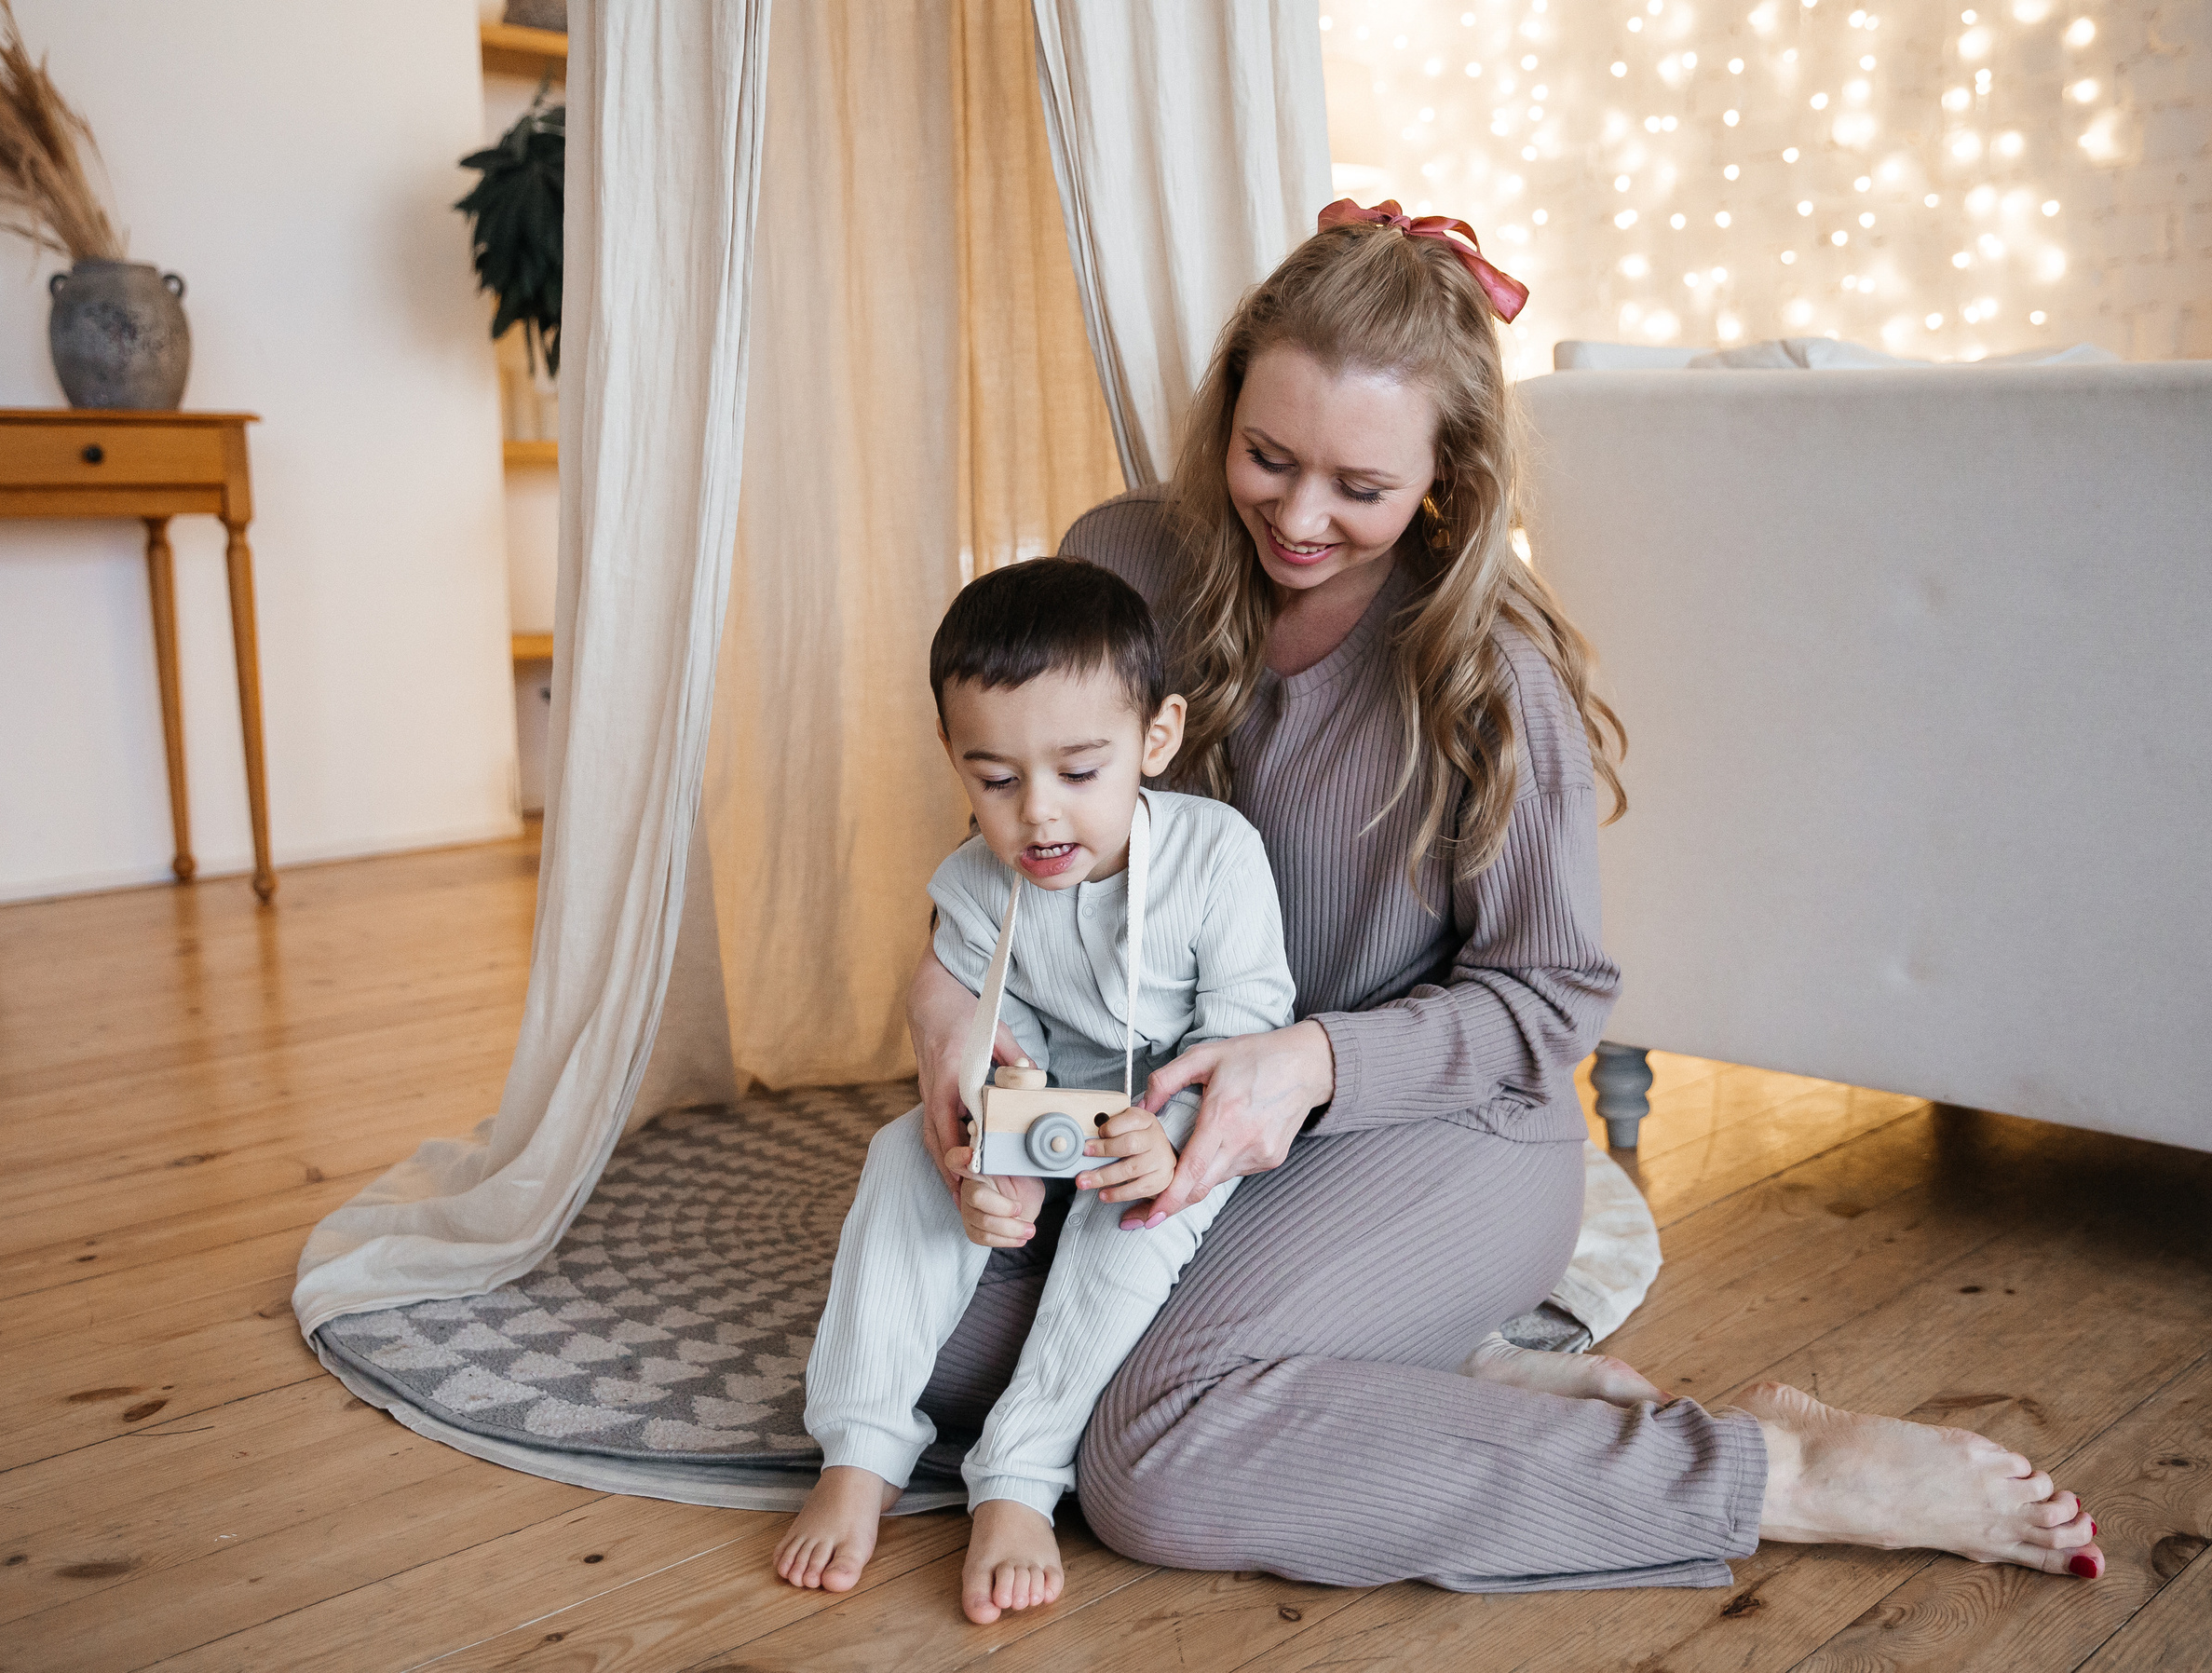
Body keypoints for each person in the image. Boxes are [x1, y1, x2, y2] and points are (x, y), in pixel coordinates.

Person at [899, 202, 2106, 1603]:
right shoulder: (1123, 564)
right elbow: (999, 866)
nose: (1296, 517)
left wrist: (1311, 1065)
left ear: (1447, 479)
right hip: (1164, 1112)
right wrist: (944, 1021)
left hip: (1434, 1129)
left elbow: (1551, 995)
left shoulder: (1488, 670)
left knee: (1147, 1456)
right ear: (1226, 410)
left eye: (1358, 485)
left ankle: (1773, 1472)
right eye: (1268, 457)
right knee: (921, 1344)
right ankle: (1423, 1373)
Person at [774, 558, 1299, 1621]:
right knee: (896, 1157)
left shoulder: (1214, 854)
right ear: (954, 761)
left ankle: (1019, 1469)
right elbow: (973, 1041)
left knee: (1138, 1211)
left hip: (1170, 1119)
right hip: (1042, 1113)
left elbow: (1245, 1031)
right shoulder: (972, 885)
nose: (1039, 817)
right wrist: (978, 1153)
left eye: (1077, 770)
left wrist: (1165, 1139)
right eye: (997, 781)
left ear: (1155, 739)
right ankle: (860, 1445)